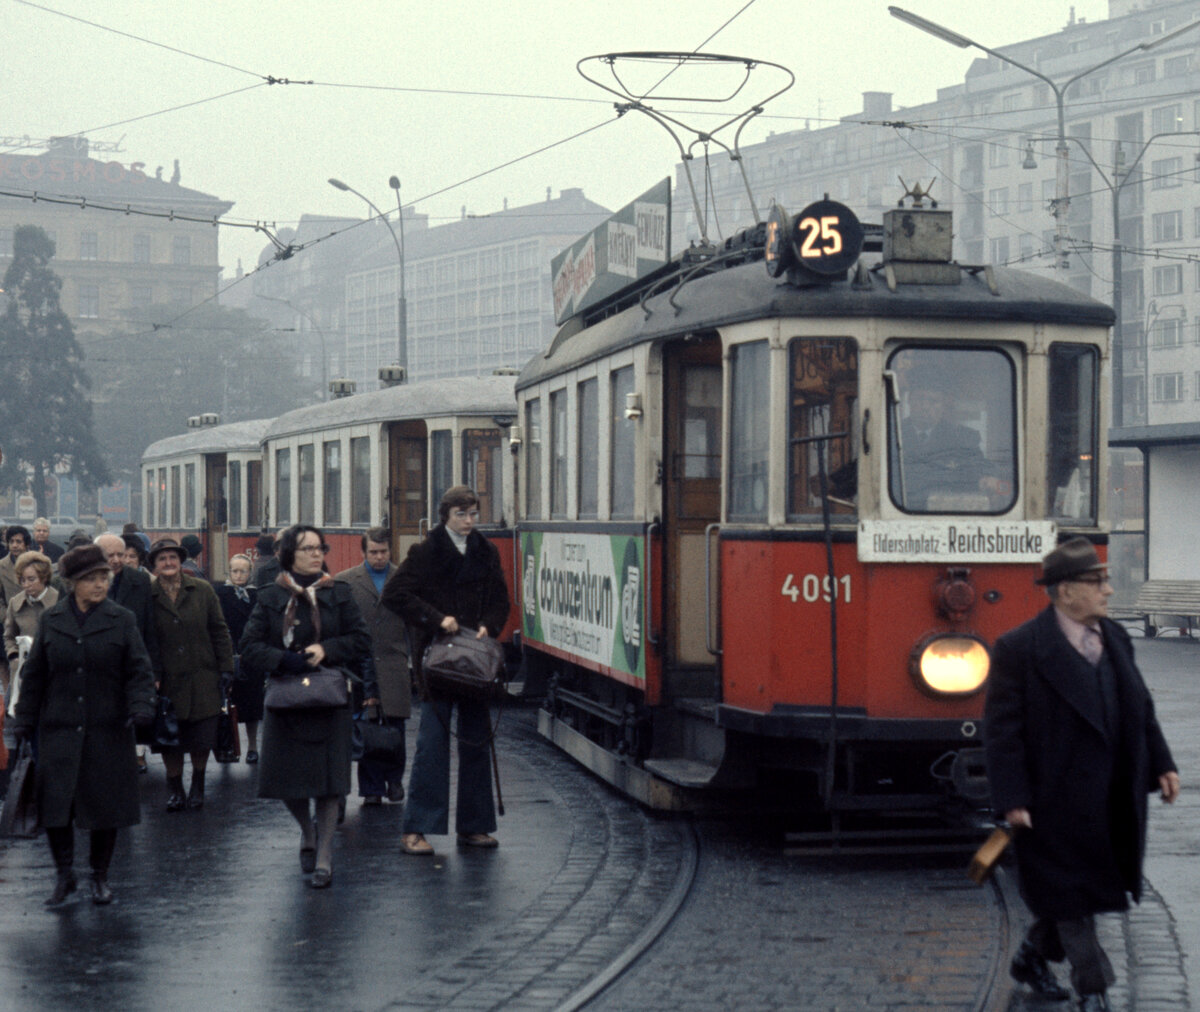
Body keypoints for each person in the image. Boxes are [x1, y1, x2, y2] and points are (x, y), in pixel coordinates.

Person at [985, 537, 1181, 1011]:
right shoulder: (1020, 649)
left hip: (1113, 796)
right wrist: (1013, 798)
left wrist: (1162, 763)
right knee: (1071, 897)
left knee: (1083, 891)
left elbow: (1140, 708)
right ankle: (1094, 989)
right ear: (1066, 591)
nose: (1108, 591)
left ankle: (1031, 957)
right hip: (1052, 800)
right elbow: (1003, 733)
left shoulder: (1115, 638)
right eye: (1098, 582)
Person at [11, 544, 156, 906]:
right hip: (58, 727)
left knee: (104, 807)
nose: (100, 584)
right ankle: (64, 876)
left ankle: (99, 876)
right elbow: (35, 674)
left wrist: (141, 706)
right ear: (72, 583)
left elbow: (139, 670)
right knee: (56, 806)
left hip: (107, 728)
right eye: (91, 579)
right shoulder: (53, 619)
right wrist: (24, 718)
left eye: (104, 577)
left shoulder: (121, 619)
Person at [382, 486, 509, 857]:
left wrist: (489, 625)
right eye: (461, 514)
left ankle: (474, 826)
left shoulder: (486, 551)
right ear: (445, 516)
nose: (469, 521)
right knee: (432, 746)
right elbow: (395, 595)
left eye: (473, 514)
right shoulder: (426, 551)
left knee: (476, 742)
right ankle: (416, 830)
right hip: (437, 661)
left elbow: (501, 599)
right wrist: (437, 619)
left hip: (475, 662)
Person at [240, 525, 369, 888]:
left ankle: (324, 855)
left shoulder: (338, 592)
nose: (316, 554)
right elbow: (248, 646)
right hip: (286, 698)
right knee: (285, 781)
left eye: (319, 548)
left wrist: (326, 649)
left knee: (329, 784)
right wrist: (284, 659)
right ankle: (306, 830)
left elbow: (361, 639)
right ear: (288, 555)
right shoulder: (270, 596)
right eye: (307, 549)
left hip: (329, 698)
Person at [149, 537, 234, 812]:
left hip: (202, 677)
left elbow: (219, 630)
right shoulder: (148, 596)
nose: (168, 563)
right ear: (154, 565)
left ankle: (198, 786)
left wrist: (226, 668)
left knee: (201, 737)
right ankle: (175, 790)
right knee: (169, 740)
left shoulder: (202, 590)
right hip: (166, 681)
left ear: (181, 560)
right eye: (162, 559)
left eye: (173, 557)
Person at [336, 527, 411, 806]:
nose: (379, 557)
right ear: (363, 552)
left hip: (394, 663)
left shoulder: (404, 580)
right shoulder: (346, 581)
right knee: (366, 729)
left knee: (395, 727)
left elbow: (414, 624)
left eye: (384, 552)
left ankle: (394, 781)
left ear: (391, 551)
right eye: (374, 552)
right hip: (360, 667)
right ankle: (371, 789)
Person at [892, 371, 1002, 510]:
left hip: (946, 513)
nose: (925, 407)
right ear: (909, 401)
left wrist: (986, 479)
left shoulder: (962, 438)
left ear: (943, 405)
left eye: (933, 401)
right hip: (900, 511)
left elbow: (981, 468)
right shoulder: (892, 434)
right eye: (920, 399)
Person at [216, 553, 261, 763]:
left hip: (250, 657)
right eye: (235, 571)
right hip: (228, 654)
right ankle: (226, 746)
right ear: (229, 572)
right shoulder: (220, 594)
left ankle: (252, 746)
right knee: (224, 705)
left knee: (251, 706)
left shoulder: (256, 596)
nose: (239, 575)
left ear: (250, 572)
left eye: (243, 571)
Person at [4, 551, 58, 698]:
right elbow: (9, 635)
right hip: (22, 673)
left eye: (31, 579)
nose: (26, 585)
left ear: (44, 577)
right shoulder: (15, 602)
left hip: (51, 673)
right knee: (12, 709)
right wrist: (13, 655)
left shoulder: (59, 601)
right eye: (22, 580)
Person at [0, 524, 31, 609]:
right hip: (11, 614)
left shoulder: (38, 564)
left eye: (18, 542)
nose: (14, 545)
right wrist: (5, 615)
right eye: (11, 541)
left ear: (26, 544)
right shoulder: (1, 566)